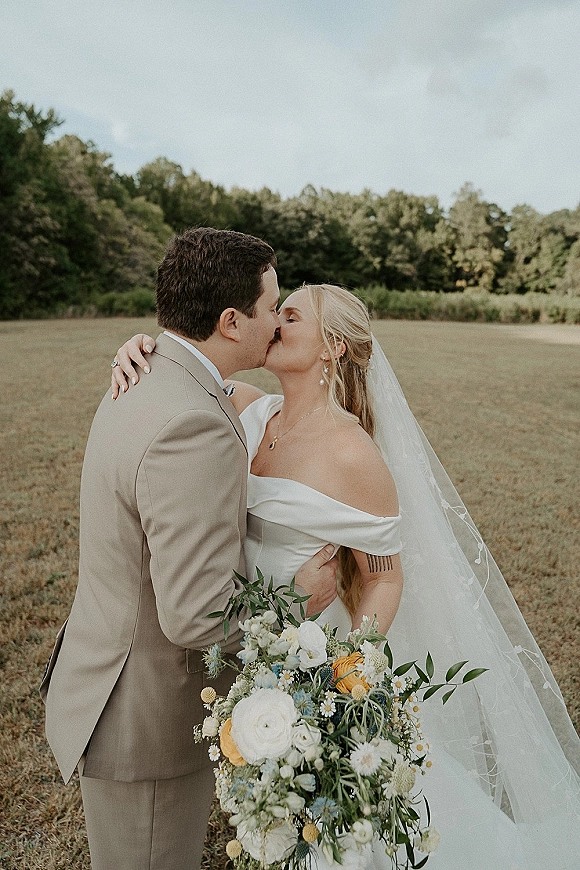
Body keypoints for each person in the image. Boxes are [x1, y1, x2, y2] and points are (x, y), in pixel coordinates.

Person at [113, 282, 580, 869]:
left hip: (314, 653)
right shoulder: (250, 410)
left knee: (335, 818)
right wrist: (139, 350)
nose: (273, 324)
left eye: (289, 316)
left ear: (331, 347)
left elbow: (384, 578)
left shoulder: (353, 456)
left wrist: (349, 671)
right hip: (246, 641)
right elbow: (186, 368)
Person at [40, 228, 339, 870]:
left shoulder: (148, 373)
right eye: (269, 309)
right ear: (231, 322)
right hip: (146, 716)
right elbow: (196, 614)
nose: (277, 326)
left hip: (112, 683)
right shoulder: (191, 421)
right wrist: (297, 605)